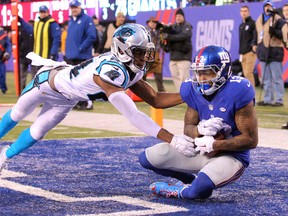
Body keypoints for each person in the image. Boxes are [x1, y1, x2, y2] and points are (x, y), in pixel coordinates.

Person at [0, 23, 195, 173]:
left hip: (68, 99)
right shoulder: (111, 72)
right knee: (18, 114)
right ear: (122, 50)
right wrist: (172, 139)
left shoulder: (128, 68)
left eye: (146, 52)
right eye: (139, 52)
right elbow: (133, 116)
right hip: (46, 83)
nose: (144, 57)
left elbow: (156, 99)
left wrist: (193, 93)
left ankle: (4, 156)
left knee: (37, 132)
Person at [139, 45, 258, 200]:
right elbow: (188, 127)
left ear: (222, 70)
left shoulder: (239, 90)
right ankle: (190, 180)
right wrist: (199, 132)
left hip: (231, 156)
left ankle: (179, 191)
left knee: (199, 191)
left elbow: (250, 140)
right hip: (201, 150)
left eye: (207, 72)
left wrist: (214, 144)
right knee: (148, 158)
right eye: (198, 72)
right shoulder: (192, 89)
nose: (201, 78)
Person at [65, 0, 97, 110]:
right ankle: (78, 102)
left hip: (82, 56)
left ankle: (88, 103)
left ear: (80, 7)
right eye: (72, 7)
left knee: (84, 82)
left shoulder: (87, 19)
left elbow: (92, 36)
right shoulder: (71, 20)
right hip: (72, 56)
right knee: (73, 82)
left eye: (75, 7)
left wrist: (80, 48)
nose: (74, 9)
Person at [255, 0, 288, 107]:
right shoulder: (260, 19)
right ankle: (267, 99)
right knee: (266, 78)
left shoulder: (279, 20)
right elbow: (258, 35)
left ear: (273, 8)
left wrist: (274, 31)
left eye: (269, 6)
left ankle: (279, 100)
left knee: (277, 78)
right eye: (266, 6)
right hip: (264, 51)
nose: (267, 8)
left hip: (275, 51)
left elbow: (283, 35)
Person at [18, 5, 61, 78]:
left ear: (48, 12)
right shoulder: (37, 23)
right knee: (37, 78)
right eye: (41, 12)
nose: (43, 14)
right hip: (38, 57)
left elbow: (56, 40)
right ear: (39, 13)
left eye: (44, 12)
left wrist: (53, 53)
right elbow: (28, 28)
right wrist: (19, 19)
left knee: (48, 78)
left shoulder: (52, 24)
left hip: (48, 57)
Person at [162, 8, 192, 91]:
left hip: (184, 57)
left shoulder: (187, 26)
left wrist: (169, 37)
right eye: (177, 16)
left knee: (184, 78)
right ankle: (180, 95)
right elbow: (166, 36)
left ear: (183, 17)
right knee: (175, 77)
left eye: (180, 16)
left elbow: (184, 36)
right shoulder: (173, 27)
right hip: (173, 57)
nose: (178, 18)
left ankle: (187, 94)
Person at [144, 17, 165, 92]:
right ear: (148, 23)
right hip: (147, 53)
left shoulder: (159, 31)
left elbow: (162, 41)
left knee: (158, 72)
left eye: (155, 22)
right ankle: (143, 90)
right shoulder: (145, 31)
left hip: (156, 53)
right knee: (143, 72)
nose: (153, 24)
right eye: (151, 22)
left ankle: (161, 90)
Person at [239, 5, 257, 88]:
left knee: (248, 73)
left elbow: (255, 35)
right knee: (245, 75)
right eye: (242, 11)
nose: (244, 13)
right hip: (242, 53)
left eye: (245, 11)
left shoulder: (252, 23)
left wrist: (254, 45)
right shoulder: (241, 25)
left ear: (249, 12)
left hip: (250, 52)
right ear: (240, 13)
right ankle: (248, 93)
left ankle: (252, 94)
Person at [19, 20, 34, 90]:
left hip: (31, 56)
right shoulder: (23, 32)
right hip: (25, 55)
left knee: (32, 74)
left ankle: (32, 88)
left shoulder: (35, 32)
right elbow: (19, 42)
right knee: (23, 75)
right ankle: (23, 88)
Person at [0, 26, 12, 94]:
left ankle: (3, 89)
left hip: (1, 59)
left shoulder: (3, 34)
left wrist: (8, 52)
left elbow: (8, 45)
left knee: (2, 75)